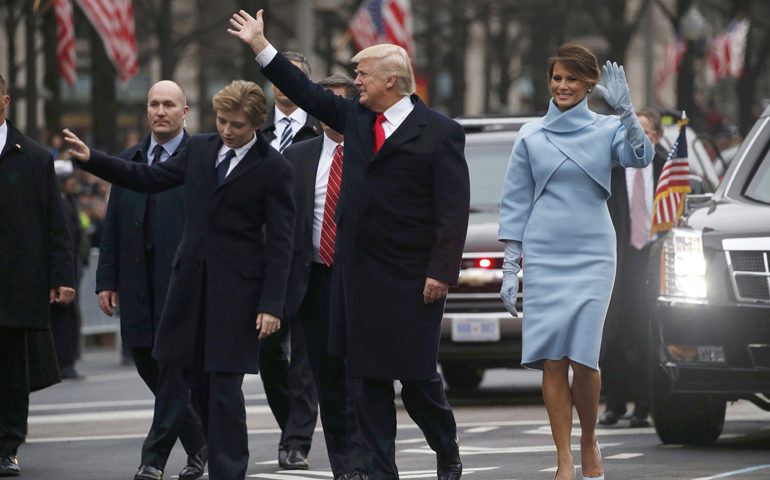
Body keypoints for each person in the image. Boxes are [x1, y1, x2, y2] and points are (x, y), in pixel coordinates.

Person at [230, 10, 470, 480]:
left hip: (413, 281)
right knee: (366, 384)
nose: (355, 82)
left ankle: (446, 446)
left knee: (418, 381)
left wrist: (441, 271)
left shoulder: (441, 132)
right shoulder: (356, 119)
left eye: (362, 75)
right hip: (355, 278)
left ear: (392, 81)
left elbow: (452, 211)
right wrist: (261, 45)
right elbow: (305, 92)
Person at [64, 79, 295, 480]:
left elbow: (280, 244)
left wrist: (271, 304)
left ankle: (228, 471)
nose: (226, 130)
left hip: (235, 295)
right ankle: (156, 460)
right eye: (222, 121)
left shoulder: (274, 169)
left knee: (223, 392)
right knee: (169, 377)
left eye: (236, 125)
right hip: (186, 287)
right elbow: (146, 178)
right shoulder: (201, 149)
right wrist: (93, 160)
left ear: (256, 124)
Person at [498, 44, 654, 480]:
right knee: (552, 360)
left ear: (588, 85)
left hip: (593, 253)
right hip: (546, 254)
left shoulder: (607, 130)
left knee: (585, 359)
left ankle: (589, 440)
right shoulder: (530, 134)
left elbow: (642, 158)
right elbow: (514, 204)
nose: (562, 86)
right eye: (556, 77)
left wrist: (626, 112)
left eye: (571, 79)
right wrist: (511, 268)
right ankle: (564, 456)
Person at [95, 80, 208, 480]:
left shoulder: (202, 159)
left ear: (184, 112)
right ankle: (200, 445)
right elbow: (112, 227)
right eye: (154, 104)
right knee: (148, 364)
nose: (161, 112)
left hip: (183, 286)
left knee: (174, 372)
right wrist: (105, 280)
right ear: (147, 110)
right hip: (137, 284)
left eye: (169, 105)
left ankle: (153, 459)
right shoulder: (130, 159)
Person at [281, 74, 365, 480]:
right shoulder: (298, 156)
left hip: (361, 283)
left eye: (337, 102)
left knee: (362, 380)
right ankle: (344, 468)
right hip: (313, 283)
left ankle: (368, 460)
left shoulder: (371, 152)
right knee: (327, 383)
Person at [0, 73, 76, 477]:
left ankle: (7, 447)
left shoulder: (34, 157)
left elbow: (55, 224)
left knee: (13, 373)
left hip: (16, 285)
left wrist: (62, 276)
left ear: (5, 100)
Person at [259, 50, 320, 470]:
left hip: (310, 263)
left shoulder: (319, 134)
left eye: (292, 76)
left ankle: (297, 440)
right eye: (277, 75)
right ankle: (290, 426)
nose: (283, 82)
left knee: (304, 361)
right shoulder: (255, 136)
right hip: (265, 265)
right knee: (267, 357)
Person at [600, 109, 667, 429]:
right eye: (631, 130)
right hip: (620, 259)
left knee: (646, 335)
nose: (637, 136)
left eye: (644, 131)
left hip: (654, 259)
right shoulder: (612, 169)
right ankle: (614, 403)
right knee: (614, 334)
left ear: (656, 136)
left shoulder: (668, 168)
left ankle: (645, 405)